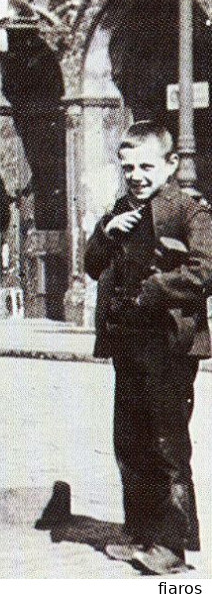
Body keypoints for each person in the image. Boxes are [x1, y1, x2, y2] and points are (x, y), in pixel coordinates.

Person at [84, 121, 212, 576]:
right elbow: (92, 264)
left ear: (171, 164)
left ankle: (173, 545)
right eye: (128, 167)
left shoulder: (188, 210)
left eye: (146, 166)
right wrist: (106, 232)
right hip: (128, 341)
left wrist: (155, 288)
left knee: (167, 443)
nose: (136, 175)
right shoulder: (121, 209)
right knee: (130, 440)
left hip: (170, 343)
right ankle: (140, 532)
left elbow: (204, 271)